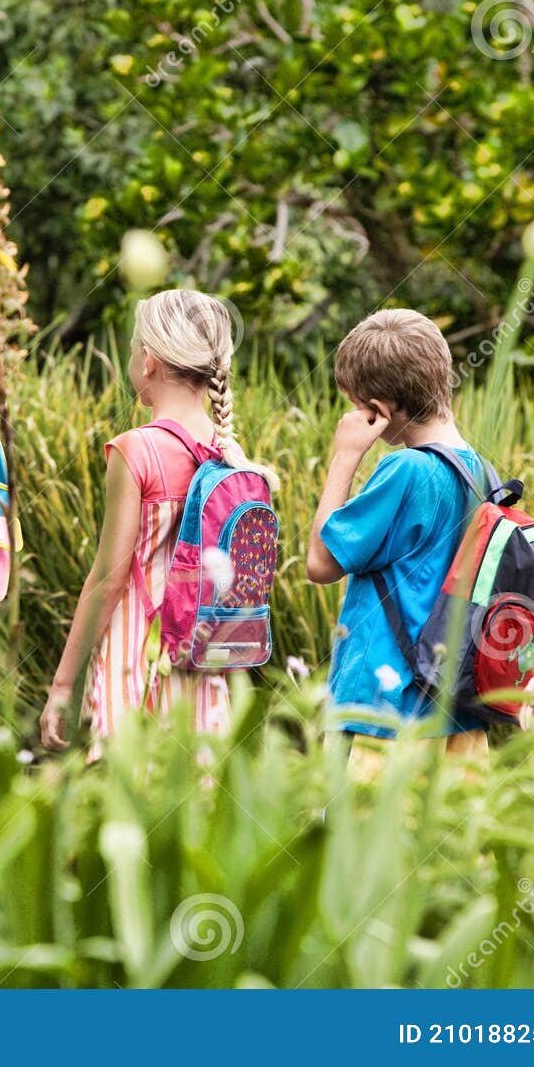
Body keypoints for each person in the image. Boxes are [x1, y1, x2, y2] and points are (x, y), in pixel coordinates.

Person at [40, 289, 276, 752]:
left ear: (147, 361)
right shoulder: (229, 456)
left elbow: (108, 581)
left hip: (136, 663)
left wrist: (63, 686)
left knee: (127, 808)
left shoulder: (136, 449)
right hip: (202, 666)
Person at [304, 309, 488, 777]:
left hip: (386, 714)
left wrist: (345, 456)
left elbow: (320, 563)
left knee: (366, 847)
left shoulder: (407, 470)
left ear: (379, 410)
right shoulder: (482, 472)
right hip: (458, 711)